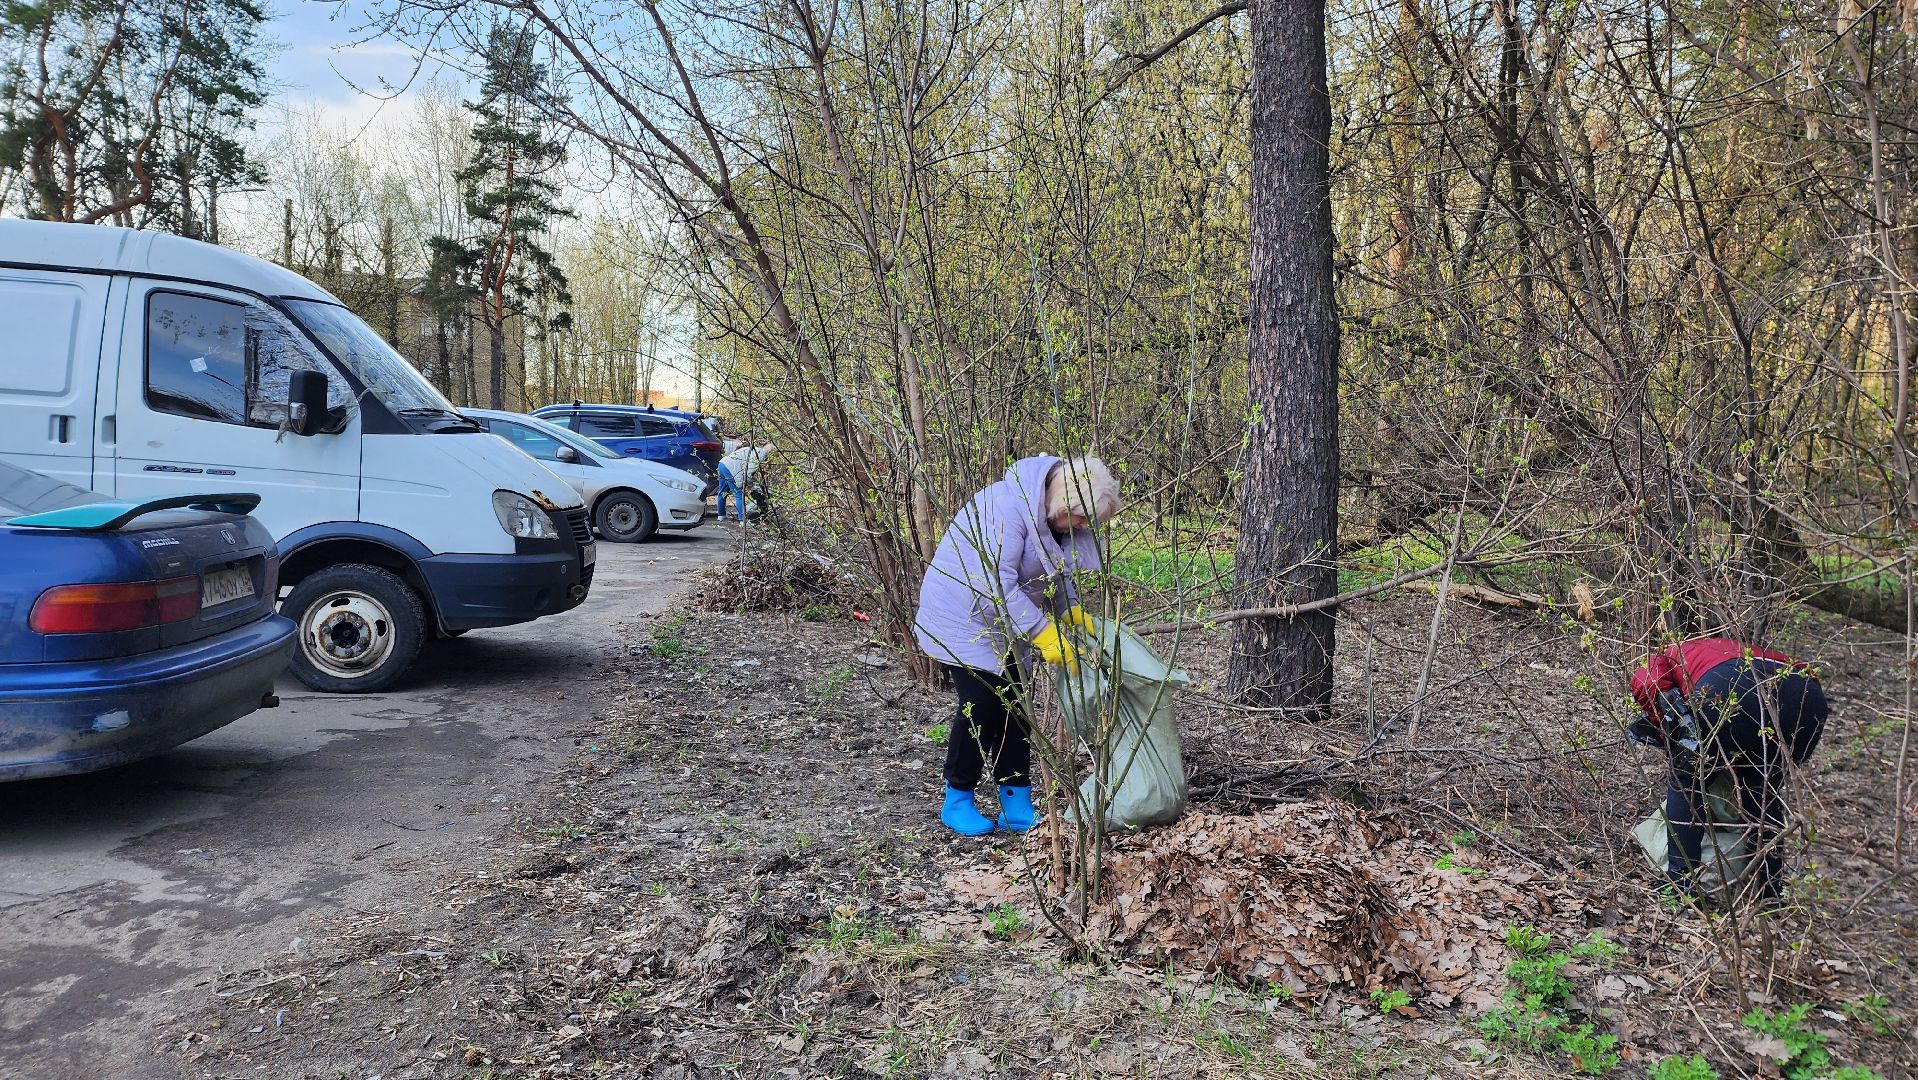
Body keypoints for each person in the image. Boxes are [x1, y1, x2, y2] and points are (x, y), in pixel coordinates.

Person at [913, 455, 1119, 836]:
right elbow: (994, 585)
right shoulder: (1005, 509)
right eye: (1084, 517)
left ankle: (1015, 801)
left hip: (1006, 622)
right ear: (1064, 504)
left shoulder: (1057, 523)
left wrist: (1070, 611)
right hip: (963, 617)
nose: (1087, 527)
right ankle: (957, 798)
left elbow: (1056, 571)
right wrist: (1042, 631)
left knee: (1016, 708)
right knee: (982, 706)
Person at [1627, 636, 1829, 899]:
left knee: (1687, 781)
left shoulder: (1669, 654)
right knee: (1762, 793)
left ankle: (1679, 886)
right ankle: (1769, 893)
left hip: (1732, 686)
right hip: (1807, 698)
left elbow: (1647, 678)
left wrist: (1671, 724)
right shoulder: (1717, 649)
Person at [716, 443, 770, 523]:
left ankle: (721, 515)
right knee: (739, 494)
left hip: (722, 464)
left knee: (722, 491)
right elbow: (749, 473)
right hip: (731, 469)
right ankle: (742, 521)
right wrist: (752, 486)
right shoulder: (760, 456)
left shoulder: (755, 450)